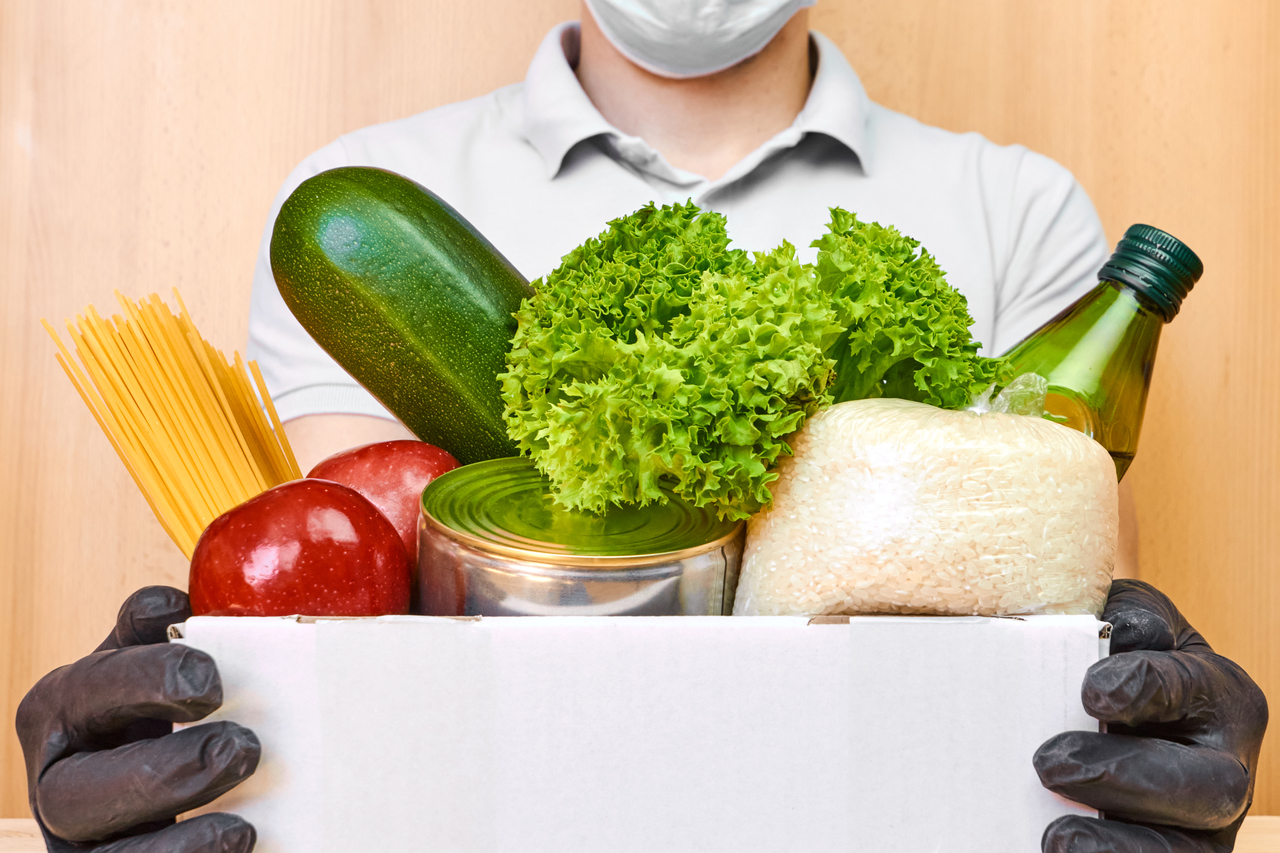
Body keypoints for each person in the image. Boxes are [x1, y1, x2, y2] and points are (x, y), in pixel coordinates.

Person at [16, 3, 1266, 852]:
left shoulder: (1015, 208)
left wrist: (1147, 737)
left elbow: (1061, 612)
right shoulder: (361, 202)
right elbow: (361, 596)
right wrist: (210, 732)